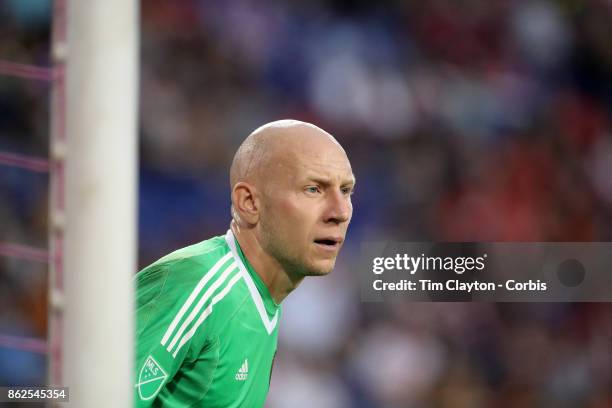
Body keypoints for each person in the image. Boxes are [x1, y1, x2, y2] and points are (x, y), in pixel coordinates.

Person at [134, 119, 355, 407]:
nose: (340, 212)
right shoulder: (197, 284)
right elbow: (69, 393)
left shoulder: (263, 299)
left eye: (347, 190)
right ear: (249, 202)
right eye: (313, 189)